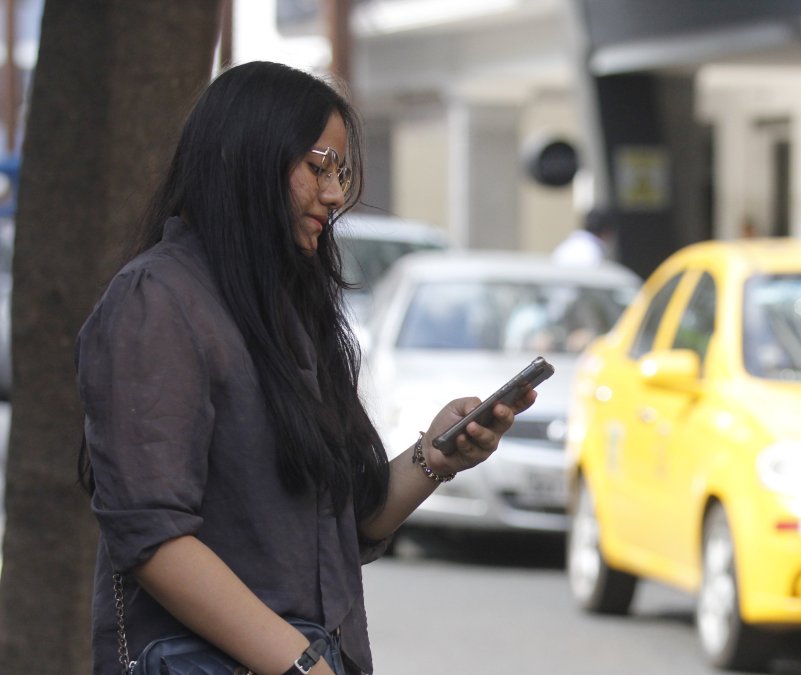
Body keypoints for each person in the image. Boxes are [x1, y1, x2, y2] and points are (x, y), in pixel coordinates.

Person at [74, 61, 534, 675]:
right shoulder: (156, 301)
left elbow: (339, 532)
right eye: (319, 167)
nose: (336, 195)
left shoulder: (285, 306)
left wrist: (436, 457)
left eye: (341, 173)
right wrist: (301, 665)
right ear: (246, 158)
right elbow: (154, 539)